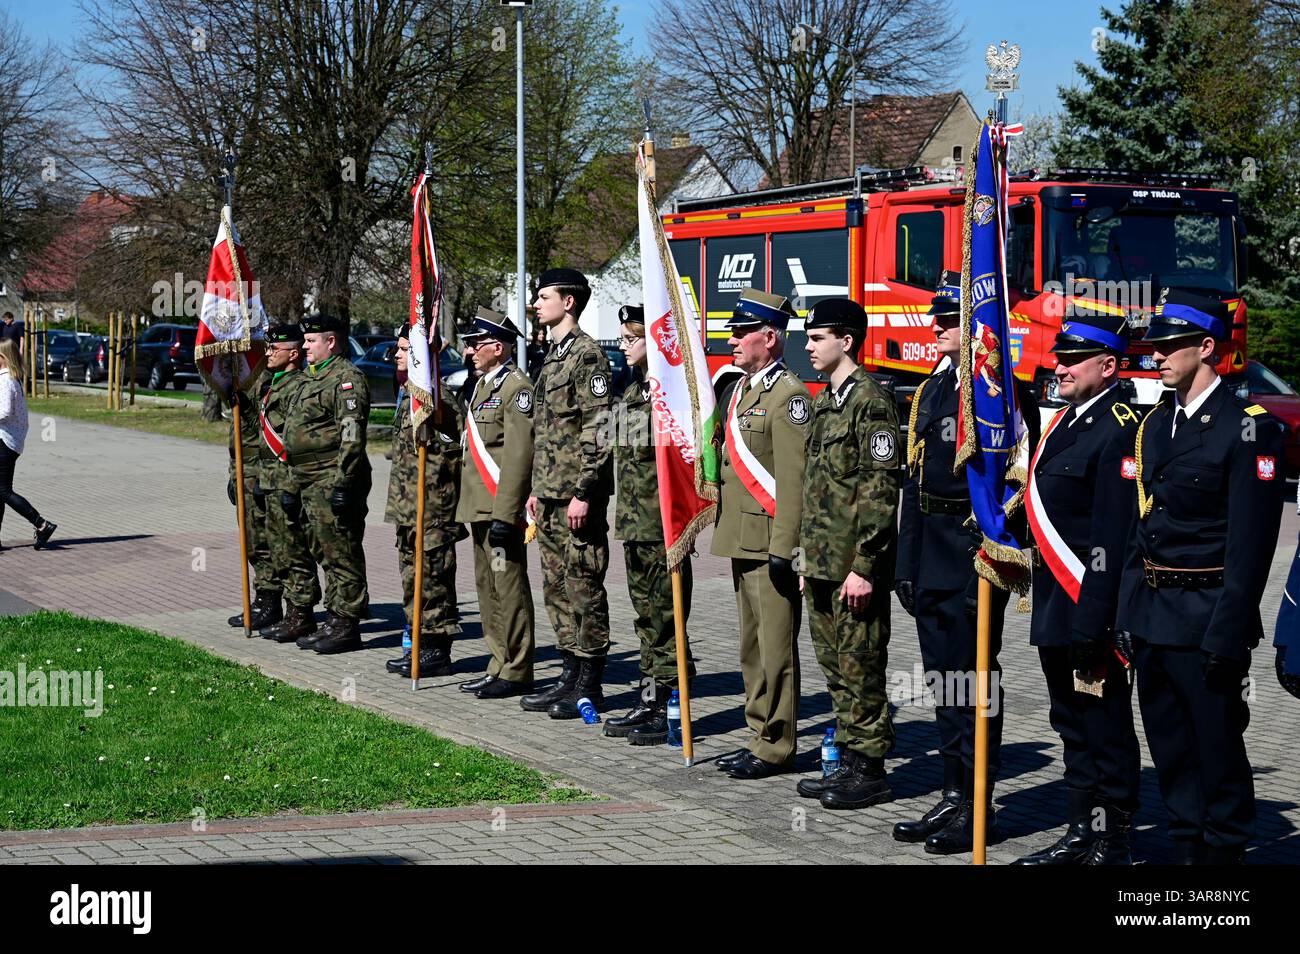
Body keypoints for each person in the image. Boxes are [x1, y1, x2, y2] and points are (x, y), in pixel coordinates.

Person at [1118, 288, 1285, 865]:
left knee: (1216, 748)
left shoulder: (1247, 428)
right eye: (1154, 348)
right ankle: (1185, 846)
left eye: (1170, 347)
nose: (1156, 357)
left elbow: (1252, 545)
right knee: (1167, 746)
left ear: (1207, 348)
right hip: (1153, 614)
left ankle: (1223, 858)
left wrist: (1229, 630)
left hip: (1208, 614)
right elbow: (1142, 528)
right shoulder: (1155, 423)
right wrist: (1126, 612)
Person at [893, 271, 1039, 854]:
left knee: (975, 682)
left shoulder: (1000, 388)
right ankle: (954, 793)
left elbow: (1017, 476)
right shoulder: (933, 387)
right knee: (942, 682)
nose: (938, 326)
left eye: (950, 317)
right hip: (930, 549)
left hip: (974, 552)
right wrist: (906, 560)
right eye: (937, 316)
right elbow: (913, 475)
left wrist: (999, 547)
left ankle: (980, 805)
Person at [1014, 310, 1142, 865]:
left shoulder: (1119, 428)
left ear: (1108, 365)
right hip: (1056, 605)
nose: (1060, 367)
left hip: (1093, 608)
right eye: (1059, 357)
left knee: (1104, 725)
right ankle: (1076, 834)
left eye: (1072, 359)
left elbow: (1114, 536)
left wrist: (1096, 619)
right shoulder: (1062, 422)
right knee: (1068, 721)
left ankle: (1111, 842)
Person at [793, 298, 898, 807]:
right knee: (835, 666)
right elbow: (816, 486)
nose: (809, 346)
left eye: (818, 338)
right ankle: (849, 759)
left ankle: (870, 768)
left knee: (862, 663)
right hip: (821, 562)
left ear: (847, 341)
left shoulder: (870, 401)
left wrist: (866, 565)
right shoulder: (824, 401)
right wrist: (805, 558)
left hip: (854, 567)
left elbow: (880, 490)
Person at [711, 288, 811, 780]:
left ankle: (777, 743)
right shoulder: (744, 389)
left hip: (771, 539)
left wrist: (786, 547)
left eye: (740, 332)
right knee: (751, 646)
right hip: (741, 537)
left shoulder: (789, 397)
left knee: (775, 647)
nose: (732, 340)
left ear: (769, 338)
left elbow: (792, 480)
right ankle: (758, 733)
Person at [521, 268, 615, 720]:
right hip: (551, 495)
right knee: (556, 587)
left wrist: (585, 492)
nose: (536, 304)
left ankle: (590, 683)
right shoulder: (553, 355)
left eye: (544, 296)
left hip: (577, 497)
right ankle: (567, 673)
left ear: (569, 302)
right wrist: (538, 491)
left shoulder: (587, 356)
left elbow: (598, 429)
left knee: (583, 587)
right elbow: (547, 433)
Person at [603, 305, 694, 745]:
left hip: (662, 525)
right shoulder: (632, 391)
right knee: (646, 617)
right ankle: (650, 698)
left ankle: (671, 705)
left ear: (651, 342)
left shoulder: (668, 397)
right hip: (634, 522)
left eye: (630, 338)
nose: (622, 346)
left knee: (665, 617)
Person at [455, 309, 537, 699]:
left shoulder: (515, 388)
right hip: (479, 507)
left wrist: (508, 513)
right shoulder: (483, 385)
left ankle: (517, 668)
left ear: (498, 347)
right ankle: (498, 662)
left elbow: (519, 455)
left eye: (475, 343)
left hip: (499, 510)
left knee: (507, 588)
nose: (469, 350)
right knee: (487, 588)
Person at [284, 313, 371, 654]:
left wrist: (344, 482)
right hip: (308, 478)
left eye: (310, 341)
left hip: (332, 477)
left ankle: (346, 623)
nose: (304, 346)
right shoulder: (310, 378)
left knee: (342, 551)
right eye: (304, 341)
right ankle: (334, 618)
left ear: (331, 342)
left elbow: (351, 434)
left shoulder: (347, 379)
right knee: (324, 550)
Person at [383, 328, 465, 679]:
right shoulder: (409, 396)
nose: (398, 356)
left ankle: (436, 649)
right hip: (408, 509)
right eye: (399, 350)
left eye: (405, 350)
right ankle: (419, 642)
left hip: (433, 511)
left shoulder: (438, 399)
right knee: (412, 579)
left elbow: (454, 451)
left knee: (433, 580)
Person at [256, 323, 323, 644]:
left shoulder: (299, 386)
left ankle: (301, 613)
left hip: (289, 480)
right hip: (270, 479)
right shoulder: (273, 383)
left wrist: (294, 486)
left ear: (293, 354)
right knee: (277, 547)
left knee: (295, 549)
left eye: (274, 349)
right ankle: (284, 608)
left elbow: (298, 438)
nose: (267, 353)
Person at [226, 345, 281, 631]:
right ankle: (262, 600)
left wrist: (262, 475)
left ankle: (269, 602)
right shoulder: (242, 377)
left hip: (257, 470)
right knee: (250, 540)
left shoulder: (264, 379)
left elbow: (266, 431)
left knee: (261, 541)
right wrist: (232, 474)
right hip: (243, 469)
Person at [0, 339, 56, 549]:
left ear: (3, 358)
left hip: (5, 440)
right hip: (11, 440)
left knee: (3, 491)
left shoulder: (5, 380)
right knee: (1, 491)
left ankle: (41, 524)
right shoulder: (13, 379)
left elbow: (5, 411)